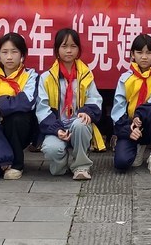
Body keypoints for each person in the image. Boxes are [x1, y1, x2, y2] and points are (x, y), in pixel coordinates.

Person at [37, 28, 103, 180]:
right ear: (57, 49)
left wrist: (87, 111)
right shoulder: (46, 77)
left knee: (82, 124)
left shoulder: (85, 74)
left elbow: (95, 99)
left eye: (73, 46)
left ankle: (81, 166)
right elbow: (42, 108)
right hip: (58, 125)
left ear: (79, 49)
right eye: (64, 46)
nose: (68, 51)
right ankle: (62, 164)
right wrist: (56, 129)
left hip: (76, 123)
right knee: (51, 150)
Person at [0, 33, 38, 180]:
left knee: (17, 116)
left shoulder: (31, 76)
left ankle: (17, 164)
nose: (9, 57)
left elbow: (26, 102)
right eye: (4, 52)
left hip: (20, 129)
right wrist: (2, 154)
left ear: (22, 55)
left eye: (14, 52)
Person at [112, 34, 151, 175]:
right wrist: (129, 129)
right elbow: (117, 110)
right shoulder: (125, 79)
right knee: (121, 163)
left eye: (149, 53)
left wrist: (141, 112)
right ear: (132, 55)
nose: (144, 57)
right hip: (133, 125)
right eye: (139, 52)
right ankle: (138, 145)